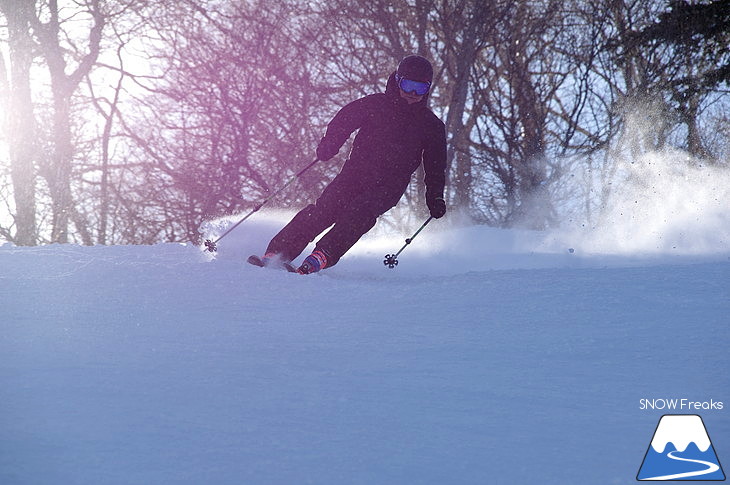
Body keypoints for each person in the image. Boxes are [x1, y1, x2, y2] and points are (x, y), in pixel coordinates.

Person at [260, 55, 447, 274]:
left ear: (427, 89)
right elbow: (345, 119)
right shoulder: (376, 105)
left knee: (360, 213)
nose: (412, 94)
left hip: (389, 187)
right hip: (354, 174)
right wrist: (330, 143)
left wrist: (434, 197)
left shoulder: (430, 126)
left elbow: (435, 165)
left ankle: (323, 255)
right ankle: (279, 252)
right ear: (398, 81)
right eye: (408, 85)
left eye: (420, 88)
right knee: (325, 209)